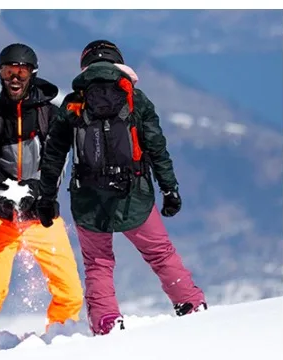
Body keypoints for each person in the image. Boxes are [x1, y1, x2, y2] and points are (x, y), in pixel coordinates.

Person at [36, 40, 207, 336]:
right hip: (134, 194)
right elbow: (156, 148)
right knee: (161, 253)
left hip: (89, 200)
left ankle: (107, 322)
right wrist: (170, 189)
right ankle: (190, 303)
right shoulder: (135, 99)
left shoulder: (74, 102)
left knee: (98, 262)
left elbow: (54, 154)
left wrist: (47, 197)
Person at [0, 43, 84, 339]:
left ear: (32, 74)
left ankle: (62, 339)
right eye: (8, 71)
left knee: (70, 290)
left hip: (41, 215)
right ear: (0, 74)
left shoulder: (50, 115)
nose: (14, 77)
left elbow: (57, 161)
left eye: (21, 71)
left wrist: (36, 189)